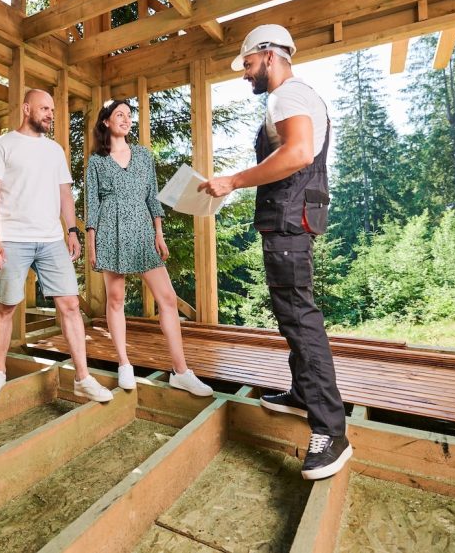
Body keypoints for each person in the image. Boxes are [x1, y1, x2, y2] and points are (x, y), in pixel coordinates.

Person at [198, 24, 352, 481]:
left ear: (269, 56)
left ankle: (331, 431)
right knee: (292, 314)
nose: (245, 74)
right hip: (292, 219)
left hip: (288, 221)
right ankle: (304, 393)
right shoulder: (300, 96)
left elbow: (299, 153)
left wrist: (233, 181)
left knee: (300, 319)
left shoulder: (286, 96)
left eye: (247, 64)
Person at [0, 89, 114, 403]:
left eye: (52, 110)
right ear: (26, 109)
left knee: (69, 306)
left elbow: (65, 194)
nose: (50, 114)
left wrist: (71, 231)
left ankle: (82, 377)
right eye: (44, 108)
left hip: (52, 239)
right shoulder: (1, 145)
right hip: (12, 238)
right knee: (7, 307)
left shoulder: (55, 151)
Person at [85, 100, 213, 397]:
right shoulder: (97, 161)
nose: (126, 119)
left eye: (129, 116)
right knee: (115, 299)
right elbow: (92, 203)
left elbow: (152, 197)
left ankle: (181, 371)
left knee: (167, 298)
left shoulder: (143, 155)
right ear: (105, 122)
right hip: (110, 230)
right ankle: (124, 365)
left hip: (143, 230)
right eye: (119, 115)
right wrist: (91, 242)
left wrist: (159, 233)